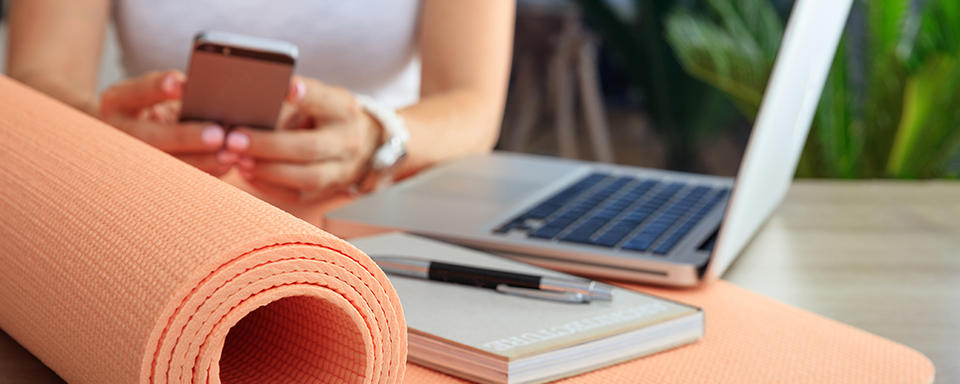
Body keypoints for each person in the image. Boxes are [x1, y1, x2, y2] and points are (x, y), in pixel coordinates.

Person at [5, 0, 514, 213]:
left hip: (375, 204)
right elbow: (35, 78)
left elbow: (471, 102)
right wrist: (99, 130)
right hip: (163, 205)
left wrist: (377, 135)